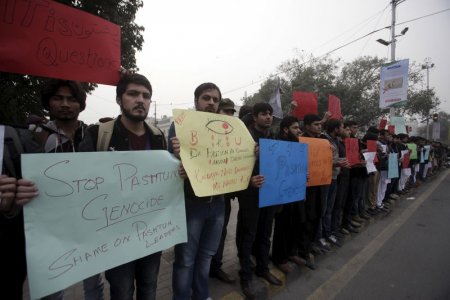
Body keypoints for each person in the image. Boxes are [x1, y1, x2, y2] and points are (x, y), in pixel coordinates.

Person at [77, 73, 166, 300]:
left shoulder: (158, 137)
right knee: (122, 292)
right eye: (133, 94)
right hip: (116, 237)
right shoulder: (98, 134)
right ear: (119, 99)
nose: (140, 100)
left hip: (151, 234)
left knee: (149, 288)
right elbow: (82, 184)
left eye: (146, 96)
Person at [15, 79, 104, 300]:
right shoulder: (33, 137)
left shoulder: (92, 134)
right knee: (52, 288)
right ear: (48, 102)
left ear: (81, 104)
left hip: (89, 222)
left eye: (72, 99)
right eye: (58, 98)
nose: (65, 104)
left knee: (94, 283)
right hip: (49, 228)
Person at [168, 82, 225, 300]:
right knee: (185, 260)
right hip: (191, 205)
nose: (211, 102)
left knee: (206, 256)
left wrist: (251, 153)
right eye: (206, 98)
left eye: (215, 99)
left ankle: (201, 295)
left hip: (218, 204)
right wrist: (175, 158)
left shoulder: (225, 129)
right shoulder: (179, 126)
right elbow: (169, 167)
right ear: (196, 101)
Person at [235, 102, 281, 300]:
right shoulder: (243, 138)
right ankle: (245, 276)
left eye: (270, 114)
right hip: (250, 196)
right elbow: (234, 167)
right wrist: (249, 180)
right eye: (264, 114)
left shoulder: (273, 137)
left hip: (269, 194)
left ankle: (263, 269)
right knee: (248, 236)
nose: (268, 117)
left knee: (265, 234)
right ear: (255, 117)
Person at [271, 116, 305, 274]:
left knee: (296, 220)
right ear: (285, 129)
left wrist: (302, 175)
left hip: (295, 189)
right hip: (280, 192)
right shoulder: (276, 144)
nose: (299, 131)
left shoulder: (297, 144)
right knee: (282, 224)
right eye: (295, 128)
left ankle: (291, 253)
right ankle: (279, 258)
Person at [209, 98, 237, 284]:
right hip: (200, 197)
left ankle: (215, 267)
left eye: (231, 113)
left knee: (221, 232)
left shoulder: (235, 135)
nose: (228, 116)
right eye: (225, 111)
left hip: (223, 196)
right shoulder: (207, 131)